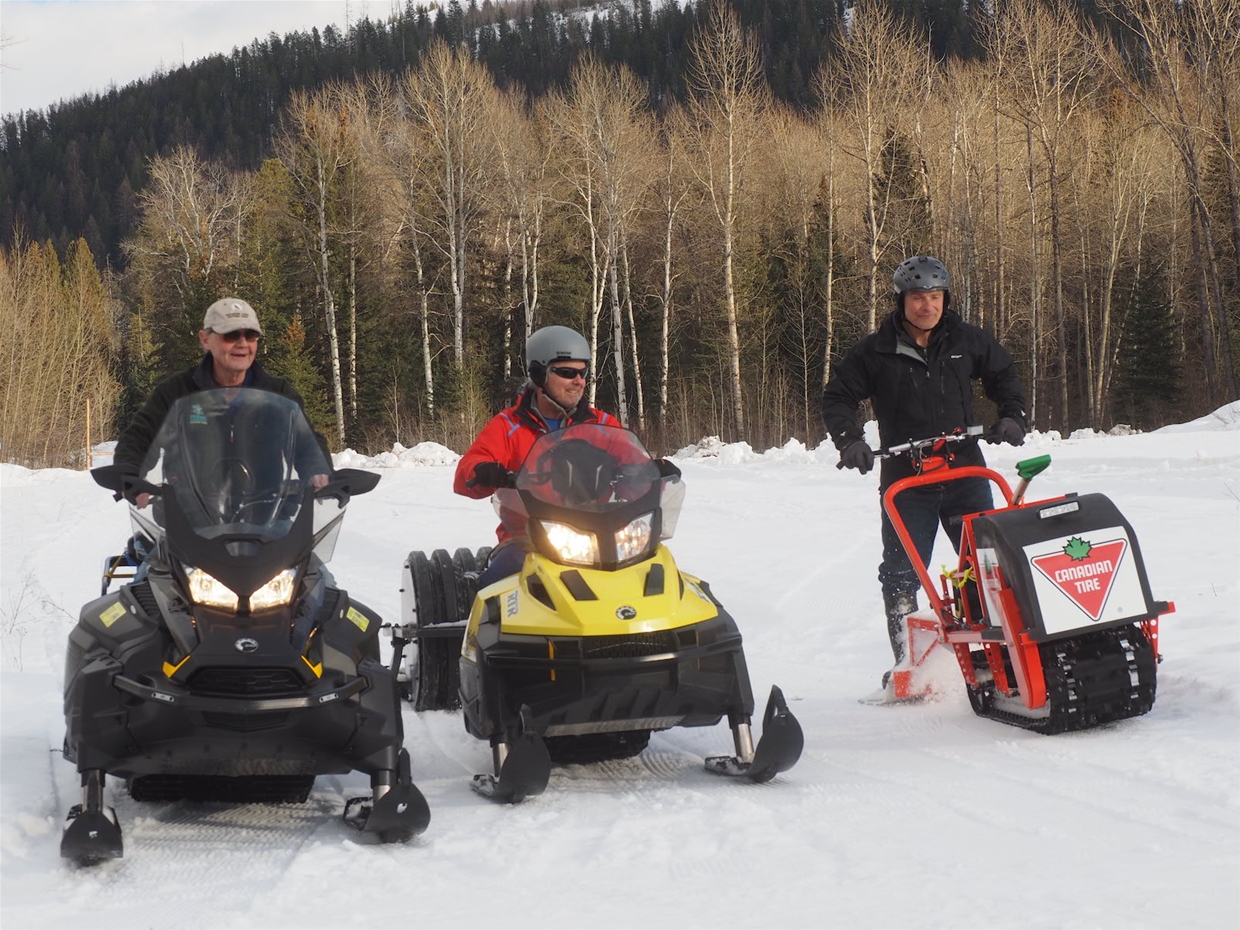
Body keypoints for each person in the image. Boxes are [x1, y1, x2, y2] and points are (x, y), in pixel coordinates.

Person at [822, 256, 1028, 697]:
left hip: (964, 471)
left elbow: (1003, 374)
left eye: (935, 297)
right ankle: (908, 664)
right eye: (918, 298)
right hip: (906, 480)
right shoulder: (875, 351)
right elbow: (838, 396)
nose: (927, 306)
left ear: (945, 299)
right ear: (902, 302)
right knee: (900, 571)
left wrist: (1012, 416)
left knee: (983, 565)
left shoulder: (965, 340)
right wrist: (849, 440)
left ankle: (994, 653)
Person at [455, 324, 676, 586]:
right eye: (568, 373)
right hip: (530, 538)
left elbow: (633, 468)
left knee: (655, 575)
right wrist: (484, 471)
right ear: (539, 375)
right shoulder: (508, 426)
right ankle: (477, 624)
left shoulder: (602, 426)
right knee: (498, 583)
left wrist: (649, 472)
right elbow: (465, 473)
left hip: (603, 532)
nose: (579, 381)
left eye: (583, 373)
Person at [115, 297, 330, 483]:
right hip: (187, 520)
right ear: (205, 339)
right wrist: (130, 470)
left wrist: (319, 472)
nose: (243, 343)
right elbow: (140, 436)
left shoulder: (277, 393)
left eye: (251, 335)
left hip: (267, 519)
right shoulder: (176, 391)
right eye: (231, 335)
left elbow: (305, 440)